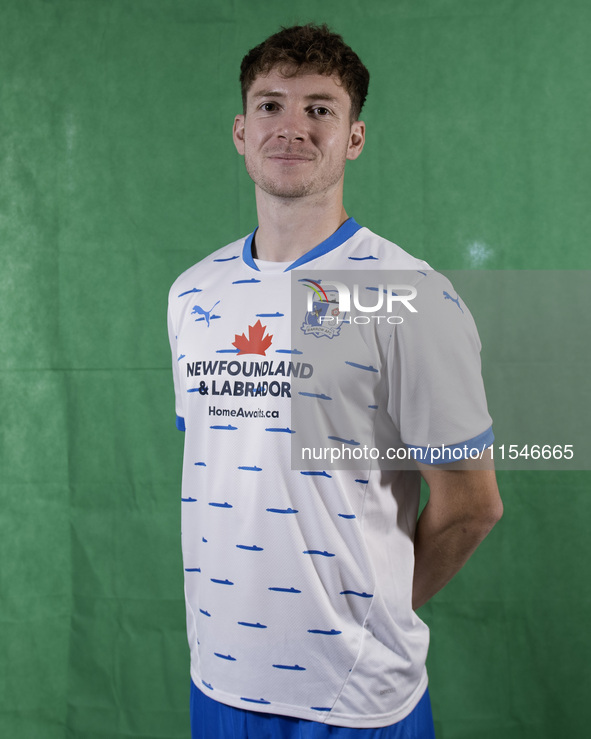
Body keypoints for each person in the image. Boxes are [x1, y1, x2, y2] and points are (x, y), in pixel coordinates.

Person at [167, 23, 503, 739]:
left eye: (319, 108)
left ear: (353, 137)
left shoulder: (406, 293)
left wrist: (375, 608)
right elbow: (226, 467)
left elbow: (471, 504)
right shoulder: (192, 293)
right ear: (239, 129)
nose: (291, 126)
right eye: (270, 105)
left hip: (356, 699)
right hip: (219, 679)